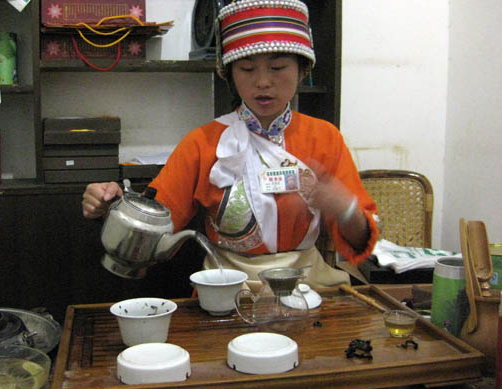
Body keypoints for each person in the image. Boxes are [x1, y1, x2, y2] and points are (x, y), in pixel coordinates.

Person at [82, 0, 379, 291]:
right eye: (247, 69)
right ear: (230, 75)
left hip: (308, 285)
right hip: (226, 287)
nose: (263, 82)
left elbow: (358, 242)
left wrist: (346, 209)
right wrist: (113, 208)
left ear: (303, 70)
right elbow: (156, 226)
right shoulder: (202, 143)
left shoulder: (325, 138)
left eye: (277, 67)